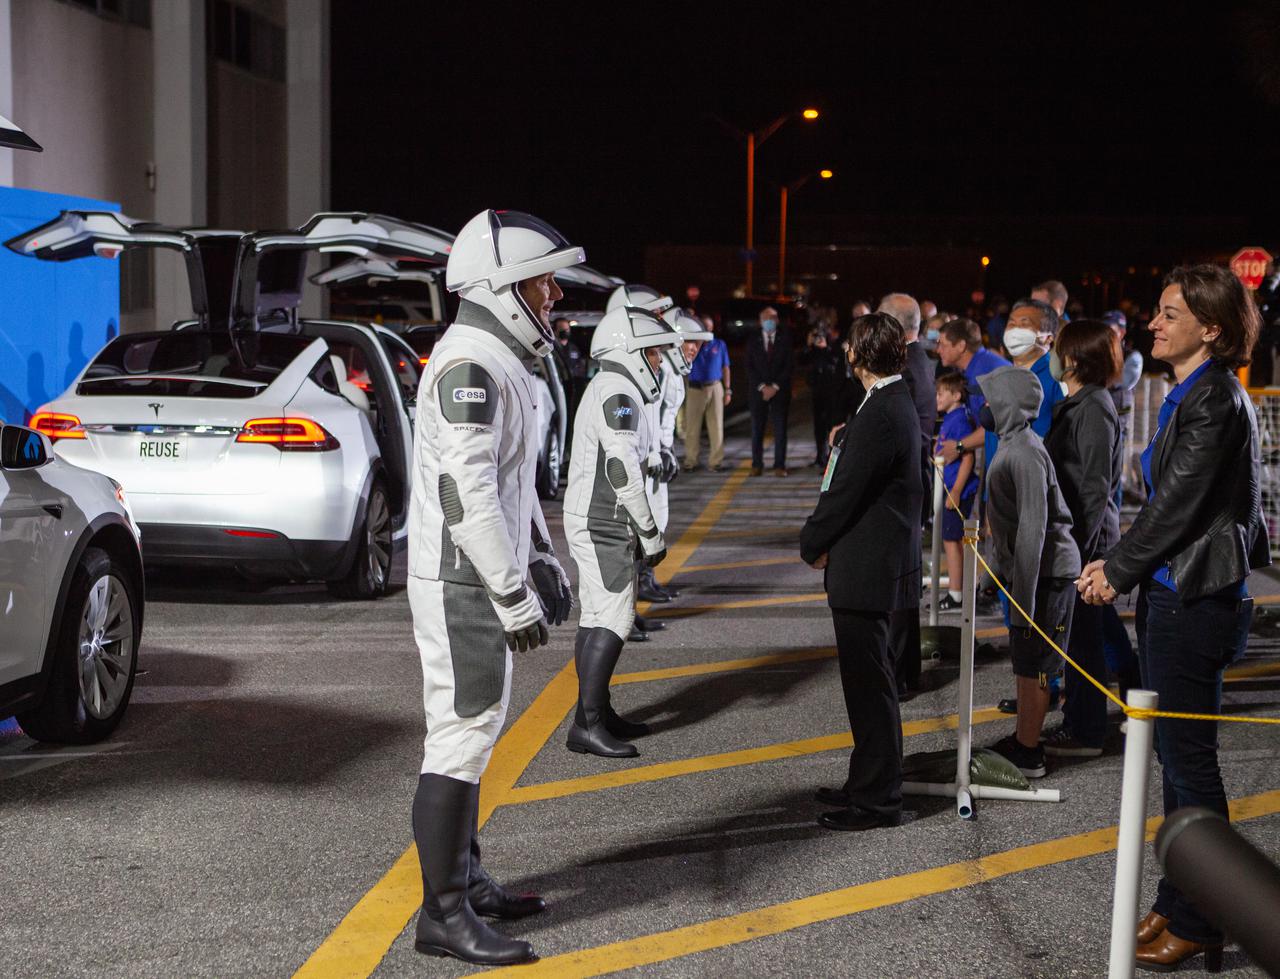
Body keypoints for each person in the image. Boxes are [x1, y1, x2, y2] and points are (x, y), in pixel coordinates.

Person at [1079, 265, 1269, 972]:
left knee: (1188, 761)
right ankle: (1179, 898)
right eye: (1156, 313)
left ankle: (1204, 917)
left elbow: (1181, 503)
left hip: (1195, 601)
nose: (1152, 324)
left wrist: (1116, 566)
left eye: (1167, 314)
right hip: (1172, 593)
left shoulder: (1215, 398)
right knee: (1168, 759)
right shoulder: (1192, 392)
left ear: (1210, 328)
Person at [408, 209, 582, 966]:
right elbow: (464, 497)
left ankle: (467, 882)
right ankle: (443, 913)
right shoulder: (472, 364)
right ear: (501, 286)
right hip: (462, 579)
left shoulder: (497, 356)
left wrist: (542, 555)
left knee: (475, 734)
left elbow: (509, 487)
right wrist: (512, 592)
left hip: (475, 571)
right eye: (541, 279)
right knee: (461, 732)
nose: (552, 294)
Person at [800, 313, 923, 832]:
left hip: (867, 568)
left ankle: (877, 801)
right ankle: (866, 782)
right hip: (874, 563)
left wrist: (812, 542)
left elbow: (844, 492)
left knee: (871, 689)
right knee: (869, 685)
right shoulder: (889, 403)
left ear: (856, 354)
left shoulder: (883, 412)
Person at [562, 305, 680, 759]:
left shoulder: (610, 385)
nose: (657, 363)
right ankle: (587, 724)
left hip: (592, 517)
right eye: (650, 354)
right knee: (615, 618)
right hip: (602, 520)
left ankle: (596, 712)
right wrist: (650, 532)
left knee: (595, 617)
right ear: (629, 350)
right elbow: (621, 467)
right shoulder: (619, 391)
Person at [978, 366, 1080, 778]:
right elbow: (1003, 527)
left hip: (1045, 577)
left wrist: (1022, 600)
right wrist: (993, 577)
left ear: (1006, 405)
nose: (982, 406)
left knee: (1037, 664)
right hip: (1031, 577)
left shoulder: (1024, 453)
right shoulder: (1011, 445)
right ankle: (1024, 739)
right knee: (1025, 662)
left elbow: (1033, 532)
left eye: (989, 399)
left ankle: (1030, 752)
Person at [1040, 320, 1123, 759]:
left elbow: (1095, 486)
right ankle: (1116, 708)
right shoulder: (1077, 402)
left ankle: (1086, 731)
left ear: (1074, 358)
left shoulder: (1093, 407)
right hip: (1078, 537)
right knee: (1094, 634)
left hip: (1085, 542)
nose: (1052, 355)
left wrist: (1079, 553)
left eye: (1058, 349)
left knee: (1085, 640)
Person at [877, 293, 930, 696]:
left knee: (896, 585)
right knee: (905, 584)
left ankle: (899, 672)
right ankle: (907, 669)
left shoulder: (906, 370)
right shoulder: (919, 359)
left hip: (902, 487)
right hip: (914, 483)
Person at [934, 317, 1010, 469]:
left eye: (943, 344)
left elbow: (996, 425)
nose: (938, 350)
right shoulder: (978, 366)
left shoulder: (983, 374)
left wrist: (959, 446)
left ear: (961, 346)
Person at [932, 373, 977, 612]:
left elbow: (968, 456)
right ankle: (956, 591)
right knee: (950, 540)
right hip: (948, 487)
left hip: (954, 489)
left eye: (941, 393)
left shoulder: (959, 420)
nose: (936, 397)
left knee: (951, 541)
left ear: (956, 395)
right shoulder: (952, 418)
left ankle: (956, 593)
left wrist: (956, 490)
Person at [1001, 298, 1063, 437]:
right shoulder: (1002, 376)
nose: (1015, 330)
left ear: (1048, 338)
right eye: (1011, 323)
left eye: (1025, 324)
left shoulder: (1057, 378)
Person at [746, 306, 794, 476]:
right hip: (758, 392)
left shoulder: (785, 339)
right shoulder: (753, 340)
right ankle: (756, 464)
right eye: (765, 317)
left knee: (780, 429)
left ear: (778, 320)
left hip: (779, 392)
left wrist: (774, 387)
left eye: (772, 317)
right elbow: (749, 367)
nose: (769, 321)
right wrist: (762, 387)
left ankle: (779, 465)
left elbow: (788, 367)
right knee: (757, 429)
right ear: (760, 321)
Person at [682, 314, 732, 471]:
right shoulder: (692, 345)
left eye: (710, 327)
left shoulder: (719, 344)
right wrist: (699, 341)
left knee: (716, 426)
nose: (708, 330)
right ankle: (691, 460)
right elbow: (686, 361)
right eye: (705, 327)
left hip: (715, 387)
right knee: (692, 427)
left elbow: (726, 367)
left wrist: (728, 388)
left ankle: (716, 461)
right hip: (695, 388)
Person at [805, 324, 848, 467]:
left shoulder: (834, 348)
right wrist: (809, 344)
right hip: (817, 393)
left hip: (833, 394)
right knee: (818, 427)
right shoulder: (813, 350)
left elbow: (836, 362)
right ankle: (820, 456)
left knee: (831, 426)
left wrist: (825, 348)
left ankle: (832, 459)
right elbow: (803, 360)